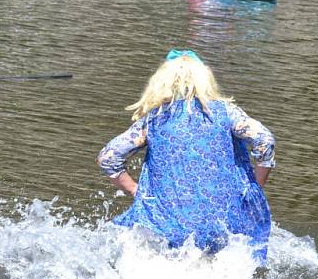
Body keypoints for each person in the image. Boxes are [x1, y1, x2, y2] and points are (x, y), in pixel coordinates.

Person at [97, 49, 275, 262]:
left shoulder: (154, 119)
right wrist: (254, 189)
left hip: (167, 223)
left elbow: (108, 157)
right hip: (224, 221)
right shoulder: (226, 113)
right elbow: (265, 141)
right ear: (205, 79)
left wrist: (138, 192)